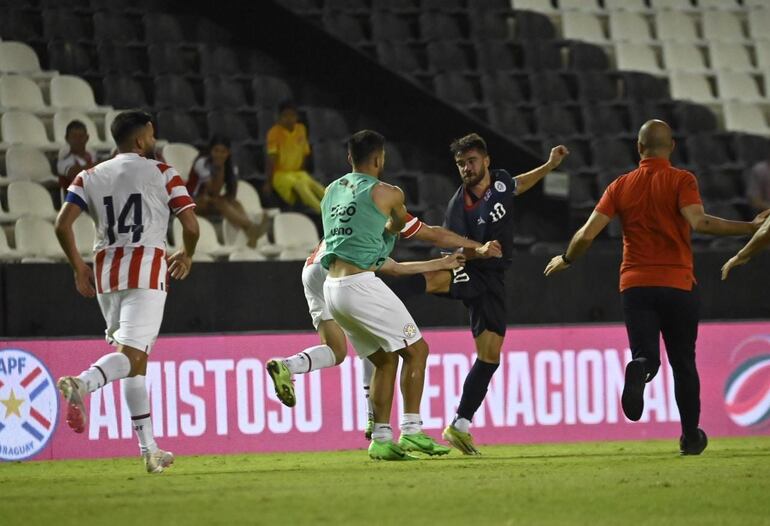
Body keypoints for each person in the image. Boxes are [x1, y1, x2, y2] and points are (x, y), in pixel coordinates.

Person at [544, 119, 766, 455]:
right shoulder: (681, 180)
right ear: (672, 146)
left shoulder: (620, 186)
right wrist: (749, 227)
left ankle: (641, 369)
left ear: (638, 148)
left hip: (636, 284)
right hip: (677, 283)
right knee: (683, 363)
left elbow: (587, 233)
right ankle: (691, 435)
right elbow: (701, 222)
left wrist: (567, 258)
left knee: (647, 355)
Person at [394, 134, 568, 455]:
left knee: (490, 356)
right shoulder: (458, 206)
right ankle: (389, 292)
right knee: (437, 279)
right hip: (472, 269)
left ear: (486, 161)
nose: (465, 168)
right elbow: (453, 246)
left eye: (470, 161)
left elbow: (518, 185)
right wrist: (480, 251)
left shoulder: (500, 182)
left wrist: (549, 165)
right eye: (460, 164)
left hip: (494, 279)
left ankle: (460, 425)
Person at [266, 212, 501, 440]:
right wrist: (470, 250)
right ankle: (378, 418)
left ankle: (288, 365)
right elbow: (413, 252)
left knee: (336, 351)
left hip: (312, 270)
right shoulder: (378, 218)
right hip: (340, 273)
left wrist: (441, 262)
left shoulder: (352, 215)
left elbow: (393, 265)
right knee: (380, 348)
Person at [53, 110, 200, 473]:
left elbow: (62, 224)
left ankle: (149, 450)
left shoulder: (89, 175)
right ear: (140, 140)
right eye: (151, 135)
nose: (154, 140)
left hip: (105, 273)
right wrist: (188, 253)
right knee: (132, 357)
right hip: (147, 269)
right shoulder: (163, 172)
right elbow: (192, 226)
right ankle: (82, 383)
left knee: (134, 364)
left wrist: (78, 267)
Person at [317, 130, 454, 460]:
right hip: (360, 283)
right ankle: (412, 431)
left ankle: (380, 439)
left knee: (383, 358)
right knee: (417, 349)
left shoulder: (330, 191)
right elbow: (409, 229)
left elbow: (360, 238)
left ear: (350, 158)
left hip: (332, 288)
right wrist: (462, 250)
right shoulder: (389, 192)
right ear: (380, 159)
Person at [186, 136, 268, 248]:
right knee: (219, 202)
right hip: (190, 202)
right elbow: (214, 190)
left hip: (206, 200)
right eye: (216, 151)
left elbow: (229, 193)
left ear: (228, 153)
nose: (219, 154)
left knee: (235, 203)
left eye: (223, 152)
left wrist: (222, 167)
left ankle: (250, 235)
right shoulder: (202, 162)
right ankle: (251, 227)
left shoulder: (228, 165)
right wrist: (220, 168)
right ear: (211, 150)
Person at [264, 100, 326, 212]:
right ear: (279, 117)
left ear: (296, 116)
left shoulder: (301, 129)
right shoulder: (274, 133)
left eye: (292, 115)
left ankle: (340, 208)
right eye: (285, 116)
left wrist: (302, 172)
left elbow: (305, 152)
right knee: (301, 186)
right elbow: (271, 159)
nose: (289, 119)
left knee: (316, 186)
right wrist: (268, 182)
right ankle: (323, 211)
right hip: (281, 174)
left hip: (297, 172)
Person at [57, 120, 97, 190]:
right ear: (67, 138)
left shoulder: (92, 156)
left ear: (87, 138)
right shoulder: (63, 162)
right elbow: (76, 173)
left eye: (81, 136)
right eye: (74, 137)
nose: (78, 140)